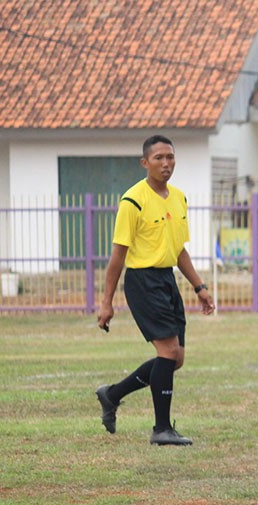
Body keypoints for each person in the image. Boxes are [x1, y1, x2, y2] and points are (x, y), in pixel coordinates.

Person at [95, 135, 215, 445]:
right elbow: (117, 257)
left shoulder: (178, 198)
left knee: (175, 359)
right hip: (142, 281)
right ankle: (161, 429)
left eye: (170, 157)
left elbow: (179, 251)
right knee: (167, 352)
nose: (166, 163)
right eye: (159, 158)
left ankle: (112, 394)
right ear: (145, 162)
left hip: (167, 280)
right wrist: (106, 303)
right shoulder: (132, 201)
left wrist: (199, 286)